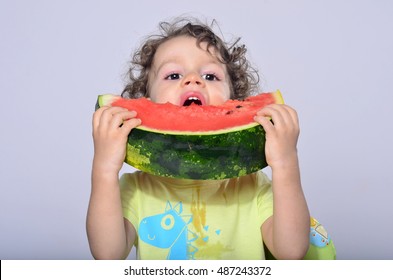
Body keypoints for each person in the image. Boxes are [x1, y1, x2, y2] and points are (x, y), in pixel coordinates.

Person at [86, 18, 310, 260]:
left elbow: (292, 252)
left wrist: (286, 164)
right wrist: (105, 169)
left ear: (235, 102)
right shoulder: (137, 187)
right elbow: (107, 255)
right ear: (146, 100)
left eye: (211, 76)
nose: (193, 79)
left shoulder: (252, 184)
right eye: (173, 75)